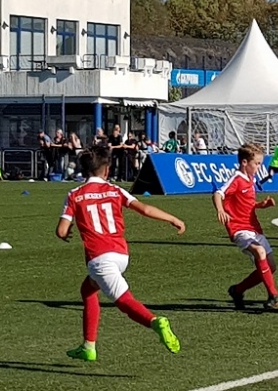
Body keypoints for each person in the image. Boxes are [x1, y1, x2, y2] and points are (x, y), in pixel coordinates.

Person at [55, 145, 185, 362]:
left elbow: (61, 231)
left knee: (124, 301)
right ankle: (88, 346)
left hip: (99, 258)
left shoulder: (74, 195)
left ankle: (155, 322)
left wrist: (65, 232)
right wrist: (172, 218)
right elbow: (144, 209)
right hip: (121, 254)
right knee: (88, 289)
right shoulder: (115, 190)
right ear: (106, 170)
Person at [214, 143, 278, 310]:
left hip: (254, 228)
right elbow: (218, 193)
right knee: (259, 251)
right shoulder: (236, 179)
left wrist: (261, 205)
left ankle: (237, 290)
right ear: (244, 162)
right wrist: (220, 210)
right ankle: (273, 295)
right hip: (239, 229)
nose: (259, 167)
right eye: (256, 163)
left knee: (271, 266)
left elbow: (247, 204)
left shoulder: (251, 179)